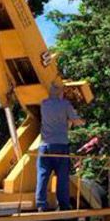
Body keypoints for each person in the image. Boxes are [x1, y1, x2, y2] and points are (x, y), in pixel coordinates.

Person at [36, 82, 85, 212]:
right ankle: (63, 204)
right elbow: (75, 121)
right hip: (60, 146)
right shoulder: (65, 105)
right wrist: (81, 121)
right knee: (62, 176)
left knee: (43, 175)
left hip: (44, 146)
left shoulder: (44, 104)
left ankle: (41, 203)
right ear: (60, 93)